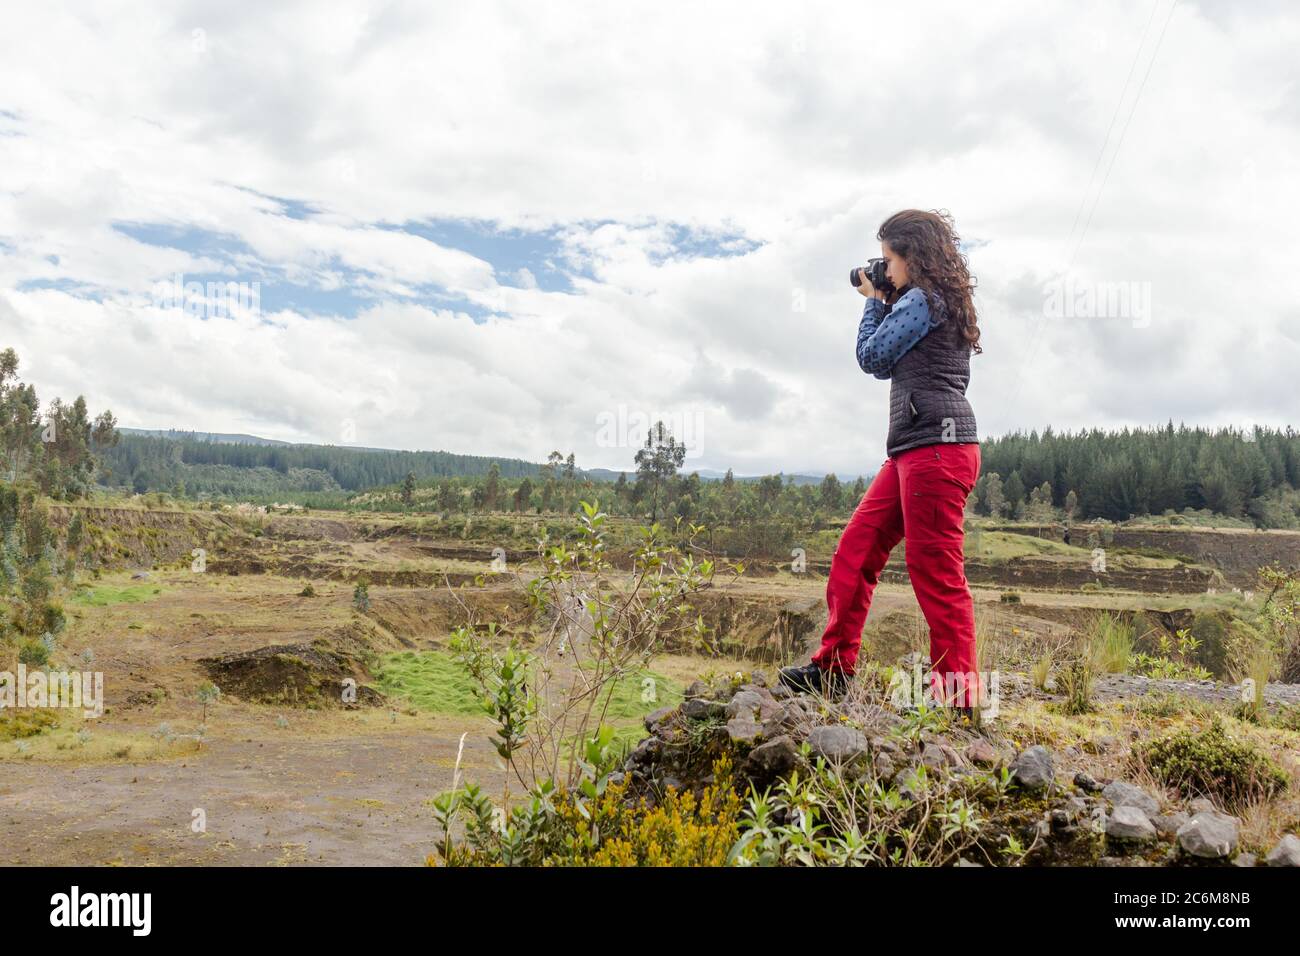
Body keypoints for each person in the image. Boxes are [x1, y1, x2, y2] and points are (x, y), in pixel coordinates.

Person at [780, 209, 983, 721]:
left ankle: (960, 701)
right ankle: (832, 669)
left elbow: (872, 358)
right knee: (857, 547)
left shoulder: (920, 299)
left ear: (911, 256)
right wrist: (886, 295)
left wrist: (873, 302)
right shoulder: (935, 299)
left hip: (935, 450)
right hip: (916, 449)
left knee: (936, 573)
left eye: (889, 259)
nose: (884, 269)